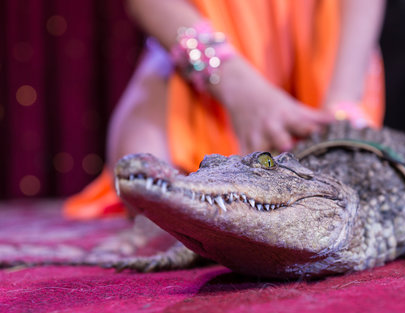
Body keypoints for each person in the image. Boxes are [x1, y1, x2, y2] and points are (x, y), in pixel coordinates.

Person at [64, 0, 386, 219]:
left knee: (352, 189)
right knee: (142, 181)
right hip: (206, 51)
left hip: (325, 52)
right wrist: (242, 91)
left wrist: (342, 102)